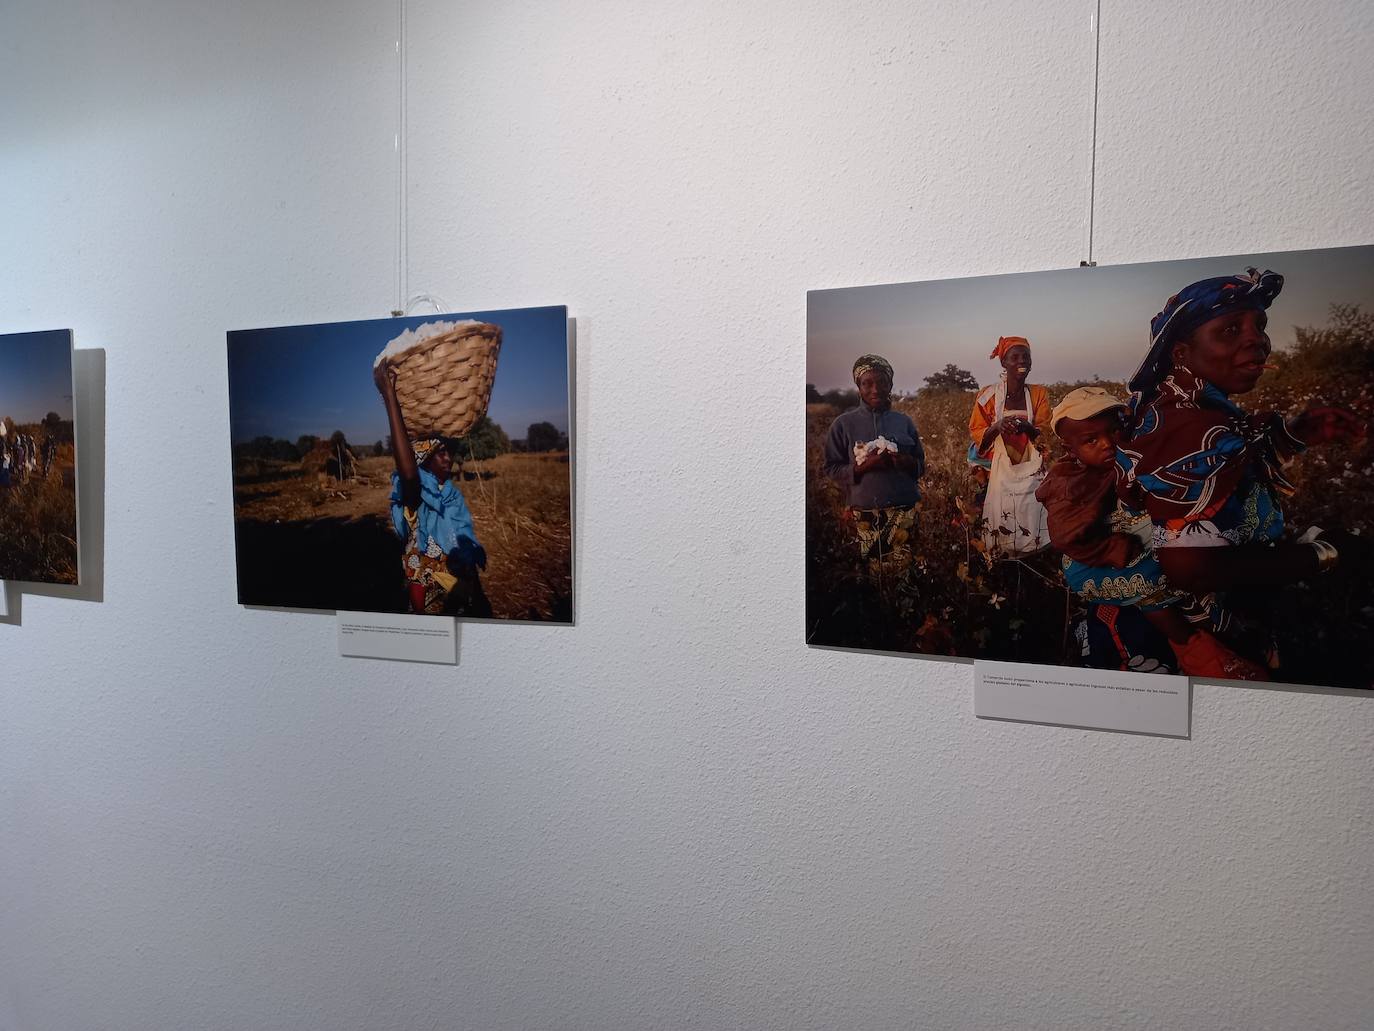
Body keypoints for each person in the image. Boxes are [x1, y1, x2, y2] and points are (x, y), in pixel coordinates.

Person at [1118, 267, 1365, 673]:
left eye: (1259, 326)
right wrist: (1321, 555)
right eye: (1231, 329)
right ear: (1180, 354)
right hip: (1209, 628)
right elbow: (1189, 569)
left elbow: (1231, 473)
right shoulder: (1193, 427)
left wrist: (1296, 434)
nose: (1258, 340)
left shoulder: (1188, 410)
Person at [1036, 386, 1265, 679]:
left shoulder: (1127, 455)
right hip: (1091, 561)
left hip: (1125, 542)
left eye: (1114, 431)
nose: (1107, 444)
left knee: (1183, 572)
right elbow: (1065, 536)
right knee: (1150, 590)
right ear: (1071, 450)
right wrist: (1107, 549)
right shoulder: (1069, 485)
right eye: (1091, 440)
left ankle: (1223, 637)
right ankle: (1199, 654)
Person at [374, 363, 492, 617]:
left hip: (459, 597)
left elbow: (460, 537)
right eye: (440, 453)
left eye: (450, 452)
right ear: (423, 460)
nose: (448, 458)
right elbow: (406, 471)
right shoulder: (417, 495)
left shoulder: (450, 495)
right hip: (430, 608)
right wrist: (389, 395)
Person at [822, 354, 926, 587]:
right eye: (867, 383)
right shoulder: (843, 424)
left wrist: (906, 462)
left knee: (905, 579)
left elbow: (921, 465)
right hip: (865, 514)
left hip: (904, 511)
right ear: (858, 387)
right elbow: (831, 468)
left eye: (881, 382)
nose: (875, 389)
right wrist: (864, 467)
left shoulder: (904, 421)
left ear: (890, 385)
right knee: (872, 580)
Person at [968, 336, 1053, 554]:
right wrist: (997, 427)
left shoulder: (1038, 394)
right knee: (1004, 511)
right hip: (999, 468)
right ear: (1003, 363)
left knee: (1032, 511)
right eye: (1014, 357)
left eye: (1026, 356)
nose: (1021, 361)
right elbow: (977, 432)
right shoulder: (988, 396)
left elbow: (1045, 431)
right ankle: (1004, 556)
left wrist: (1029, 428)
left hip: (1030, 467)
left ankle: (1034, 553)